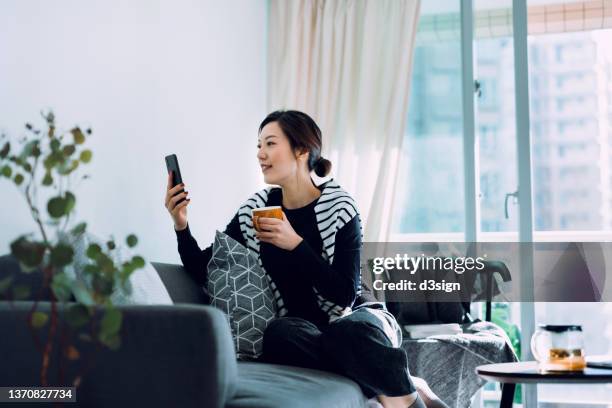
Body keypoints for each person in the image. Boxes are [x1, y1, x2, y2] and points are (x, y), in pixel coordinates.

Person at [165, 110, 448, 408]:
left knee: (349, 333)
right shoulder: (256, 209)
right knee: (278, 334)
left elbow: (344, 295)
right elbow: (206, 269)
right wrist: (181, 225)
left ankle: (405, 401)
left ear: (301, 150)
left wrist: (296, 244)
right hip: (305, 331)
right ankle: (402, 381)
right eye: (258, 146)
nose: (261, 154)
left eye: (270, 144)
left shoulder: (339, 206)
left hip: (357, 317)